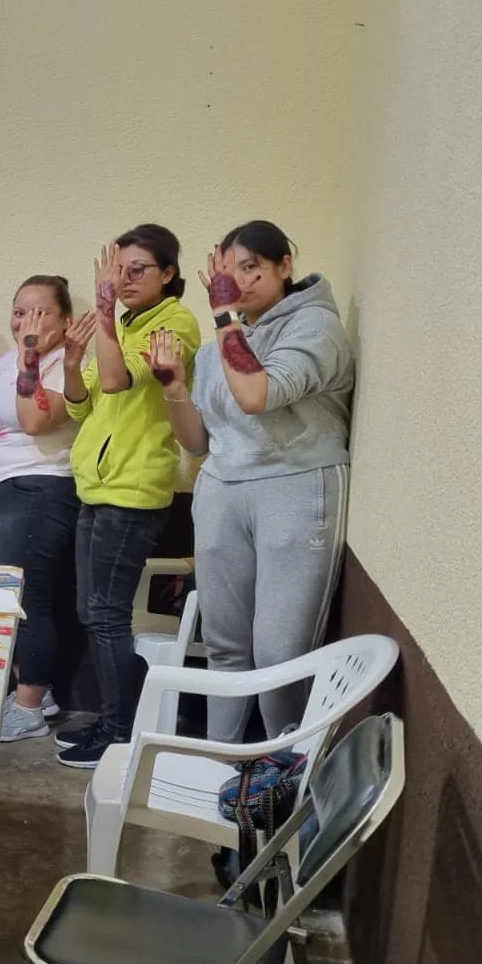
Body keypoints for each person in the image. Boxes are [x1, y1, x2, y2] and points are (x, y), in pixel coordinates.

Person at [147, 221, 353, 742]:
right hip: (221, 487)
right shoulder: (222, 343)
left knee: (280, 652)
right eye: (228, 270)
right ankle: (222, 763)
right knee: (224, 647)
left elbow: (258, 395)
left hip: (296, 484)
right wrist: (173, 386)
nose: (237, 281)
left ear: (286, 265)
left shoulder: (315, 327)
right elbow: (196, 440)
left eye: (252, 268)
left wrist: (222, 316)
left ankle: (281, 775)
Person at [55, 226, 201, 769]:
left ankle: (121, 732)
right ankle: (116, 719)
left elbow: (117, 383)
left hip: (133, 492)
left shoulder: (174, 323)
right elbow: (81, 405)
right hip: (96, 488)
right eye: (119, 271)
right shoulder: (124, 324)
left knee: (108, 615)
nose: (125, 280)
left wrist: (106, 313)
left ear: (167, 273)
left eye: (137, 269)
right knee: (90, 612)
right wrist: (71, 362)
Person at [0, 277, 85, 742]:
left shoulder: (67, 366)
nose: (25, 322)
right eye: (19, 312)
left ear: (66, 321)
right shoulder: (1, 364)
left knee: (28, 600)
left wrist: (31, 354)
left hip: (41, 486)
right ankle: (27, 690)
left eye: (39, 313)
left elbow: (35, 420)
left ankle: (31, 704)